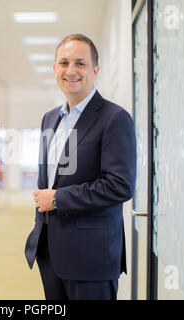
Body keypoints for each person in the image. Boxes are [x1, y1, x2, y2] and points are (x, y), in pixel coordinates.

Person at [24, 34, 136, 300]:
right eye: (63, 63)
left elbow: (120, 185)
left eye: (80, 63)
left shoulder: (114, 118)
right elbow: (51, 179)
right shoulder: (50, 118)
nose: (71, 70)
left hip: (91, 258)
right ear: (54, 69)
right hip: (50, 251)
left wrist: (58, 199)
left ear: (95, 70)